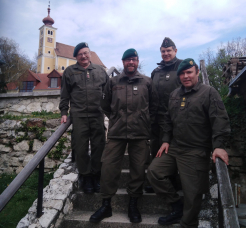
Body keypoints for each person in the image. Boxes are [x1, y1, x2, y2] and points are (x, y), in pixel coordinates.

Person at [147, 58, 231, 227]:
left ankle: (188, 223)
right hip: (175, 147)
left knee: (192, 193)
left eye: (189, 72)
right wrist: (165, 140)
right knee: (153, 172)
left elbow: (219, 120)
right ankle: (177, 206)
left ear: (197, 73)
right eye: (182, 73)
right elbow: (168, 120)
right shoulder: (174, 94)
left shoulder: (208, 93)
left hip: (196, 150)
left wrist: (219, 146)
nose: (186, 76)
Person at [89, 48, 158, 224]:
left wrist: (144, 121)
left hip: (140, 133)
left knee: (137, 169)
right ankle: (106, 205)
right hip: (117, 132)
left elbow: (154, 106)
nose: (131, 63)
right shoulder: (113, 82)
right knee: (109, 167)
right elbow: (105, 104)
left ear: (137, 61)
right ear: (123, 62)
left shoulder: (147, 82)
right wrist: (116, 118)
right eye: (128, 60)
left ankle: (133, 204)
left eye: (134, 60)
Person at [59, 42, 108, 194]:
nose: (84, 56)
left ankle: (96, 175)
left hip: (97, 114)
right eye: (80, 54)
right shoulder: (70, 72)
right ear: (76, 56)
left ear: (90, 54)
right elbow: (64, 94)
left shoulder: (100, 71)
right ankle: (86, 176)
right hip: (79, 115)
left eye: (86, 53)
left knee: (98, 146)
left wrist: (110, 110)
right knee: (80, 147)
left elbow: (109, 93)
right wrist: (63, 112)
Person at [145, 37, 183, 193]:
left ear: (175, 50)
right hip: (156, 117)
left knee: (171, 150)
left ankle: (172, 181)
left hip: (174, 117)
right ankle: (156, 181)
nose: (166, 53)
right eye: (163, 51)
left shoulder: (182, 67)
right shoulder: (156, 71)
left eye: (168, 50)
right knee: (155, 148)